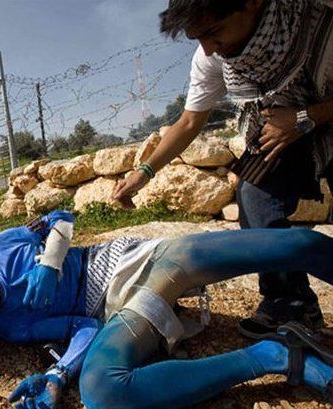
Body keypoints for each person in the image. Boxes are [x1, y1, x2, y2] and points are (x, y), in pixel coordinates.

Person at [0, 210, 333, 409]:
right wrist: (58, 376)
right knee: (101, 392)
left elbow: (63, 217)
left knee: (300, 243)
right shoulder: (9, 323)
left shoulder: (0, 247)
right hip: (126, 310)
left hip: (140, 260)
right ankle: (273, 356)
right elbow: (85, 327)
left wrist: (50, 260)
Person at [113, 0, 333, 339]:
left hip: (318, 116)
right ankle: (289, 303)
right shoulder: (213, 58)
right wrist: (143, 173)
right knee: (255, 194)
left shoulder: (316, 14)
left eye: (213, 32)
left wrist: (305, 118)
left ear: (251, 4)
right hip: (279, 135)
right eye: (198, 38)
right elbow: (188, 122)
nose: (208, 47)